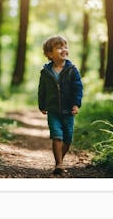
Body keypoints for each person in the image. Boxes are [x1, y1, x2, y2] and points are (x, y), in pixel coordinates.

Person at [38, 35, 83, 175]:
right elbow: (42, 89)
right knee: (57, 135)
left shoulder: (72, 69)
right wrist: (42, 104)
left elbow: (78, 88)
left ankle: (60, 161)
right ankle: (59, 163)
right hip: (53, 110)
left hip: (68, 110)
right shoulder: (46, 72)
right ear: (49, 54)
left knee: (68, 138)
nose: (64, 49)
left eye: (65, 47)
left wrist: (76, 104)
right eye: (59, 48)